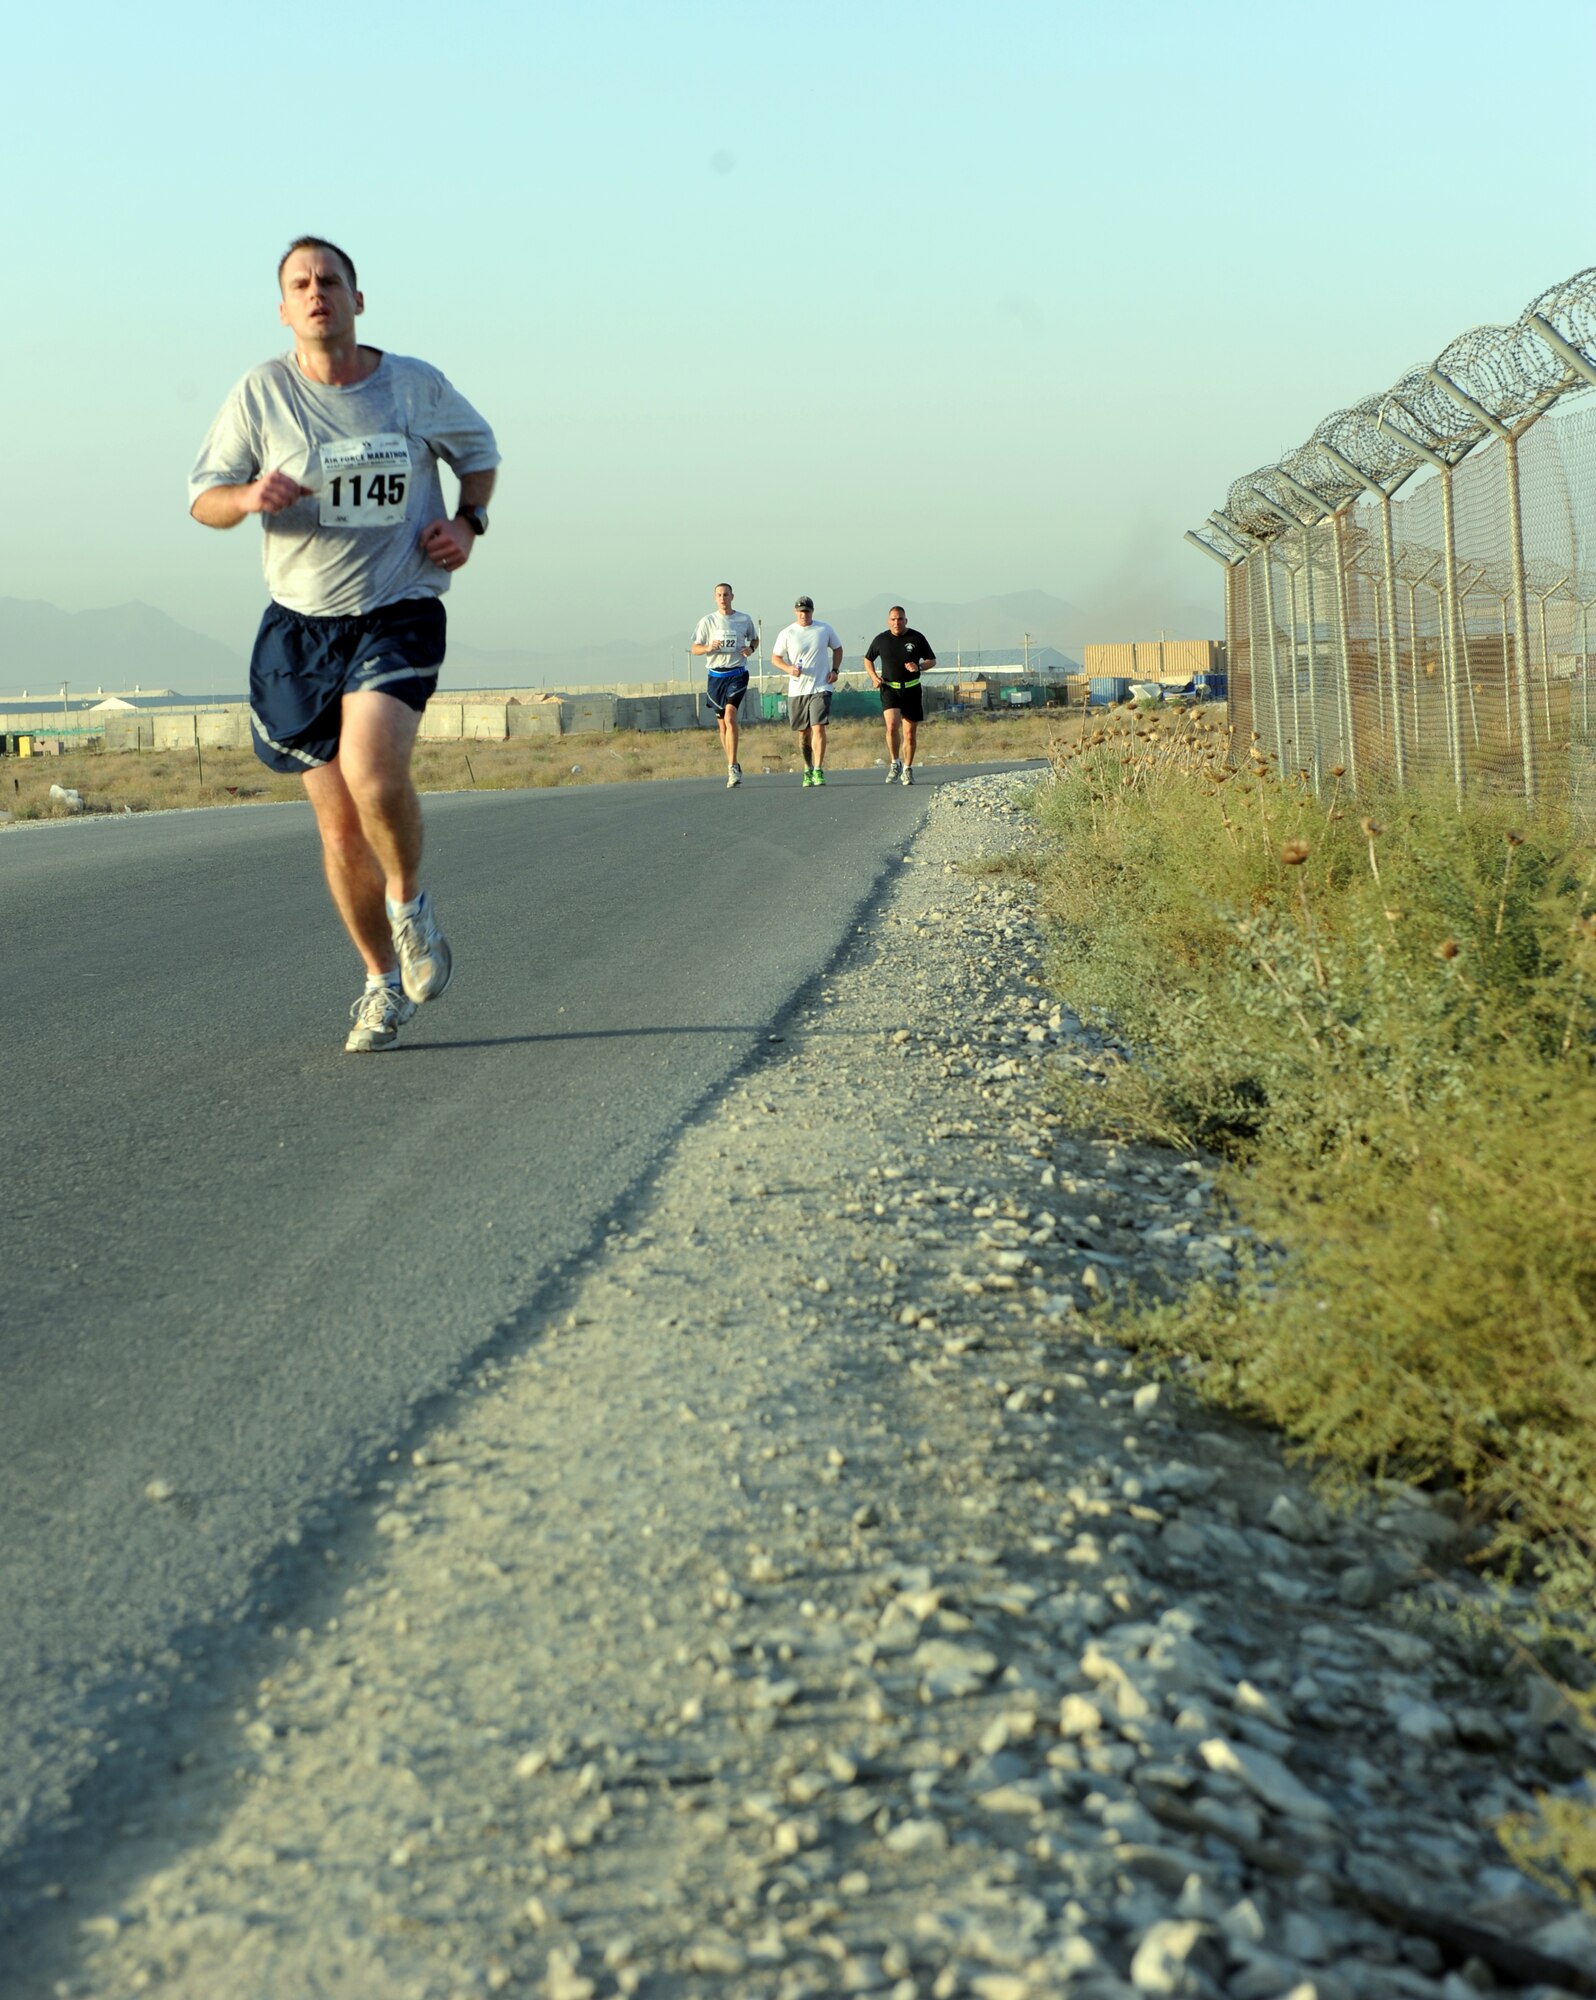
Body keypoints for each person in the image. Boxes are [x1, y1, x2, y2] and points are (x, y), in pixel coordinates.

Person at [188, 237, 499, 1053]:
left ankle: (411, 907)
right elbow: (203, 501)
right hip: (300, 625)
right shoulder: (261, 394)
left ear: (360, 300)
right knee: (336, 828)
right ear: (283, 309)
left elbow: (481, 456)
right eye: (301, 284)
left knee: (372, 769)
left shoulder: (413, 385)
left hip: (398, 605)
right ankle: (378, 983)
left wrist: (468, 522)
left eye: (331, 280)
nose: (317, 292)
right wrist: (250, 494)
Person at [690, 582, 758, 786]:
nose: (723, 598)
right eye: (719, 595)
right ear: (715, 598)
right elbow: (694, 648)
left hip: (737, 673)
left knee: (730, 716)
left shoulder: (743, 619)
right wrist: (708, 647)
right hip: (715, 677)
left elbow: (754, 639)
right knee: (722, 723)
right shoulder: (707, 621)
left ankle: (733, 766)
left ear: (732, 596)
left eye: (726, 594)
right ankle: (732, 762)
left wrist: (750, 649)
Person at [771, 597, 843, 787]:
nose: (804, 615)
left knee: (818, 726)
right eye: (801, 611)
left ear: (813, 611)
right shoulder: (787, 633)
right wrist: (788, 669)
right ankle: (808, 768)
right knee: (804, 732)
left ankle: (818, 769)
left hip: (821, 686)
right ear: (795, 612)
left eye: (807, 611)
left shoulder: (824, 629)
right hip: (798, 689)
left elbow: (838, 648)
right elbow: (775, 658)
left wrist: (835, 670)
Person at [864, 604, 936, 784]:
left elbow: (932, 660)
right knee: (891, 725)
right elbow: (867, 659)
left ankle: (907, 768)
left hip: (911, 689)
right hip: (890, 689)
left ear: (906, 620)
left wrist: (918, 666)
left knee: (910, 734)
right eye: (893, 619)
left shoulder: (917, 638)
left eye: (900, 619)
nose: (897, 623)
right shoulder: (881, 640)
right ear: (889, 621)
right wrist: (874, 677)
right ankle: (895, 762)